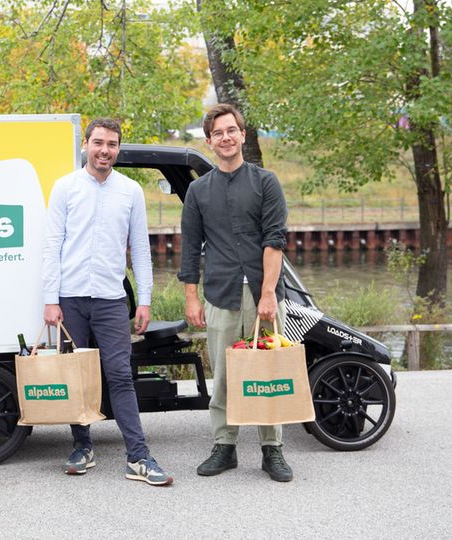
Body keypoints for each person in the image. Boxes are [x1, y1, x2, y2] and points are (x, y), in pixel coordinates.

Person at [41, 118, 173, 486]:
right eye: (98, 142)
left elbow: (141, 251)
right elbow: (52, 246)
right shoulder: (65, 187)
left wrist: (143, 300)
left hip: (112, 300)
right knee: (75, 377)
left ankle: (139, 456)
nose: (105, 150)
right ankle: (82, 447)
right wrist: (50, 300)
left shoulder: (130, 192)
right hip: (70, 299)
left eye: (112, 144)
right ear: (85, 145)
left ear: (118, 149)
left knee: (120, 376)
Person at [178, 104, 294, 482]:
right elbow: (191, 246)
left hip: (262, 295)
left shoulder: (265, 182)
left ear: (242, 135)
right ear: (209, 141)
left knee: (267, 371)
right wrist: (192, 298)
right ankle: (224, 446)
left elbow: (274, 240)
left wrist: (267, 292)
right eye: (217, 133)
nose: (225, 138)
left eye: (232, 131)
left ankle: (272, 449)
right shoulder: (198, 190)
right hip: (220, 293)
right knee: (226, 374)